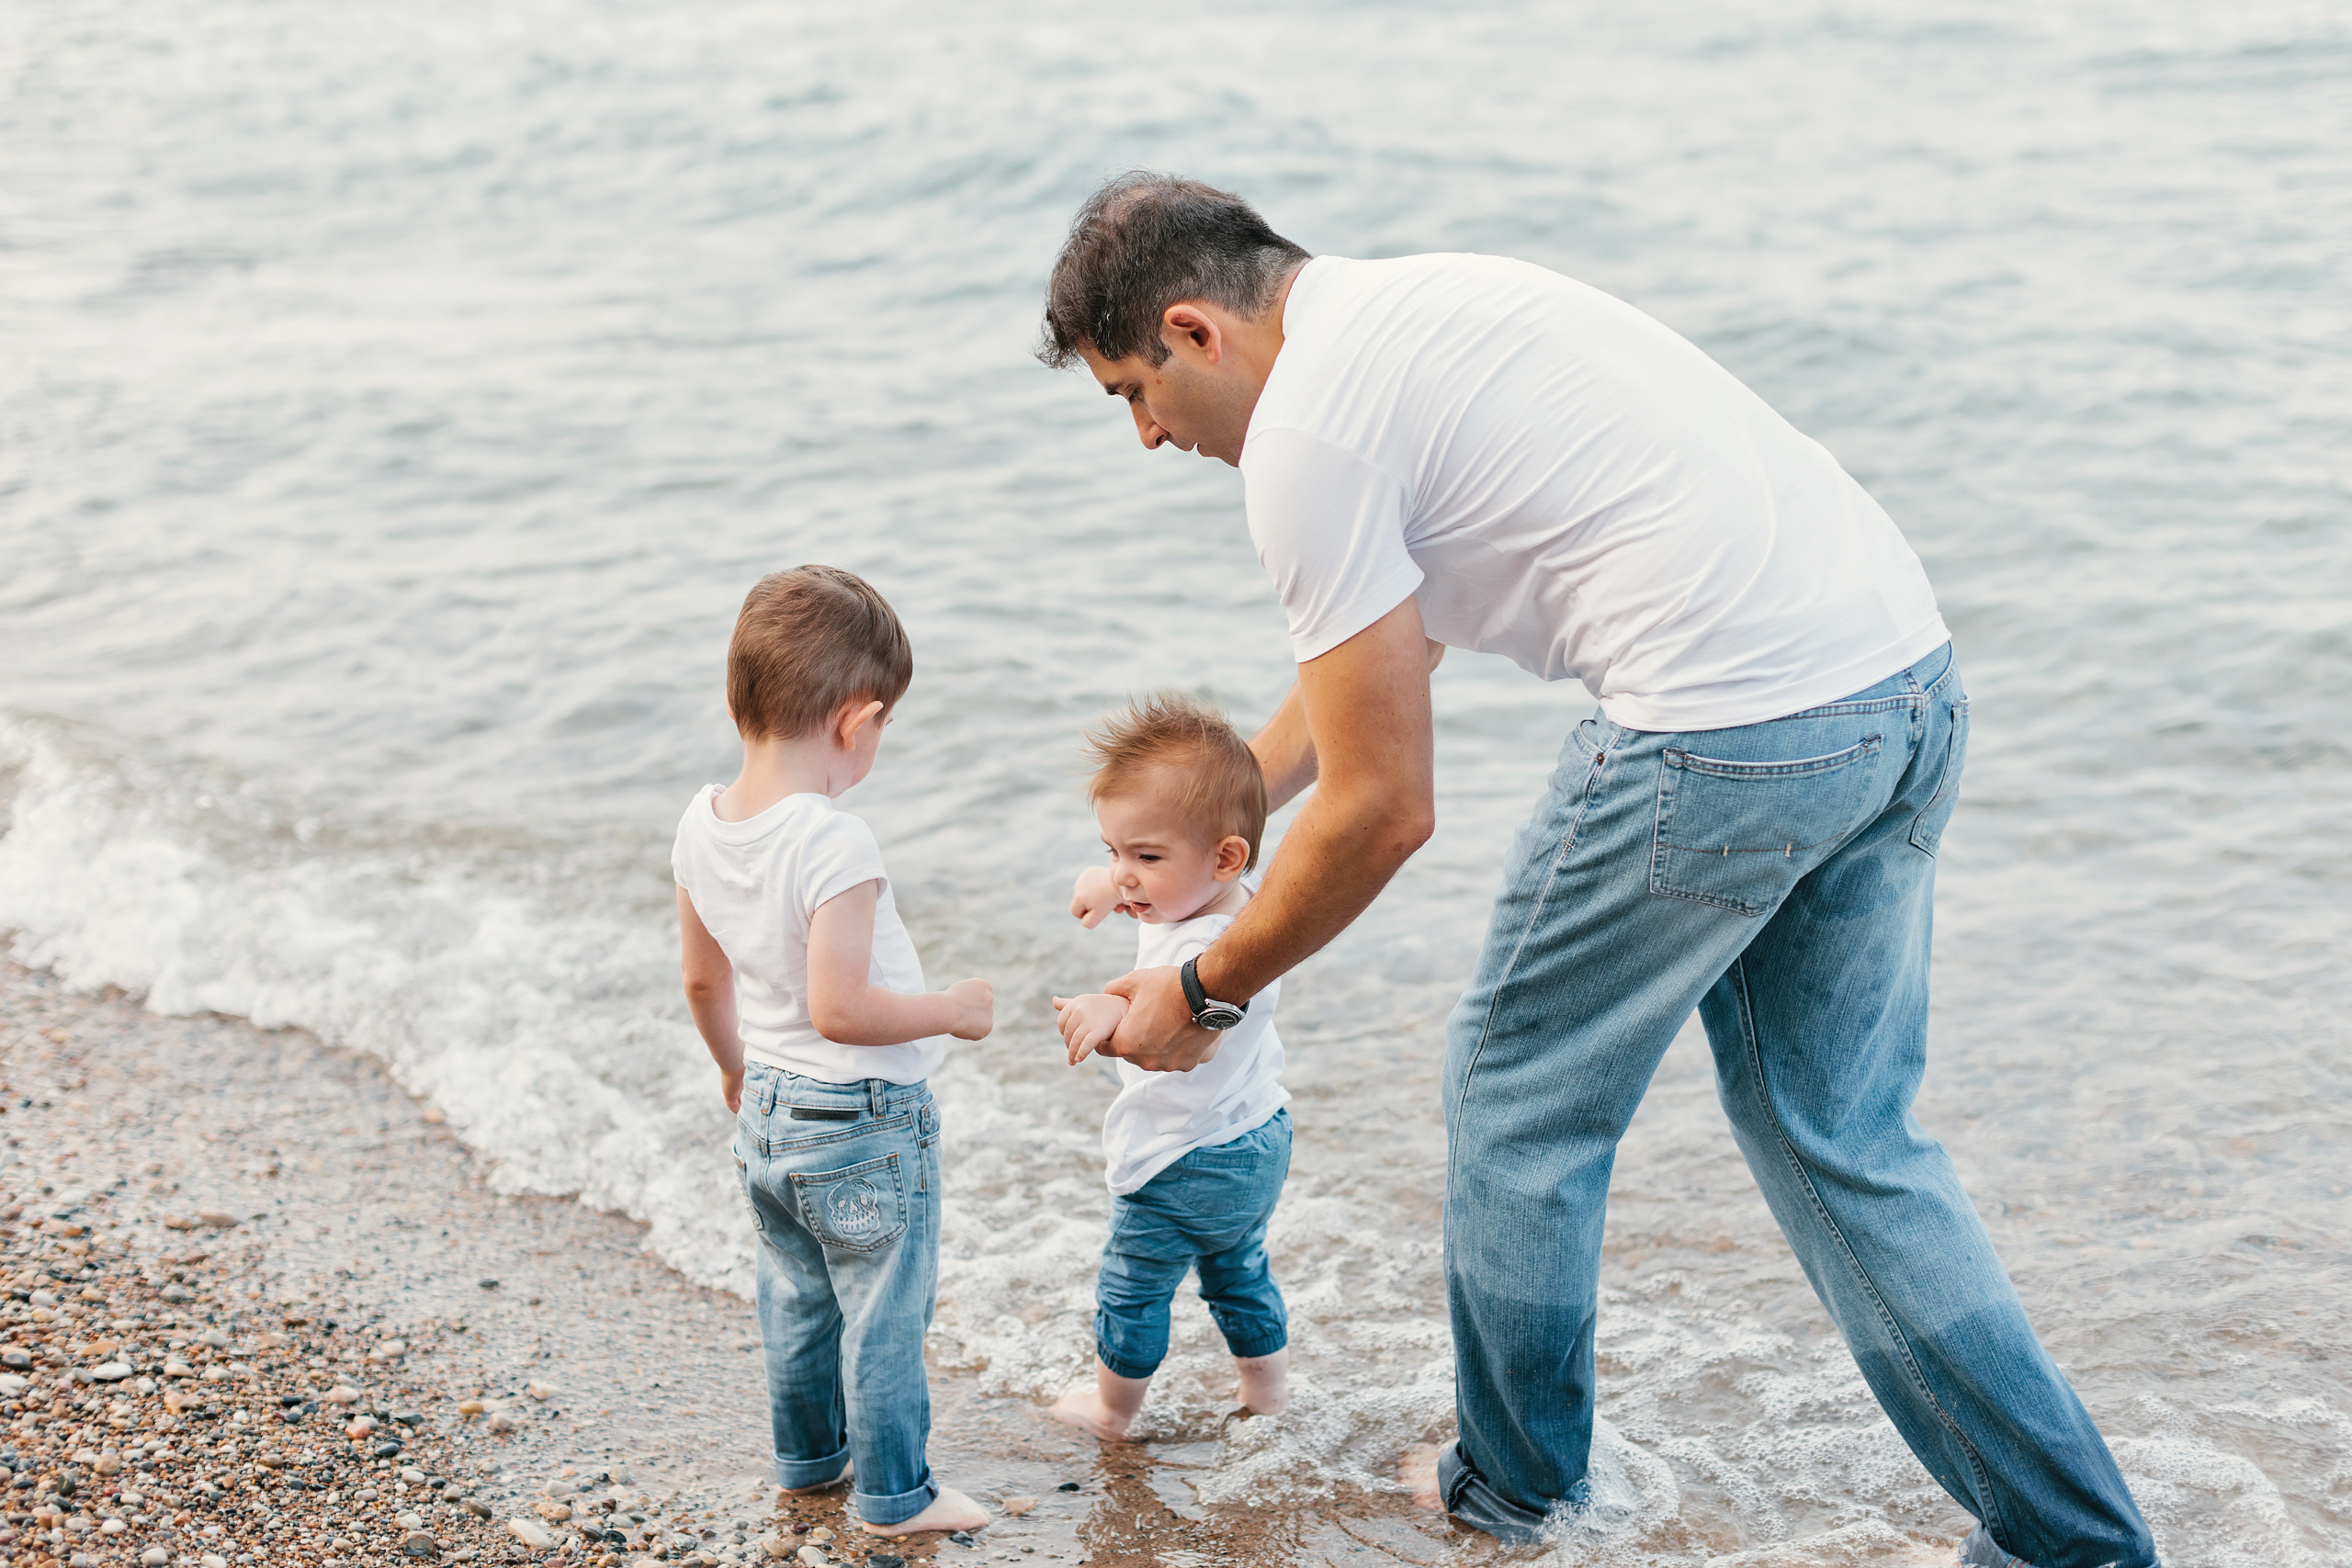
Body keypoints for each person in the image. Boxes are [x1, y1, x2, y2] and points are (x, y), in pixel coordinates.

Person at [1035, 174, 2159, 1568]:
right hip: (1904, 683)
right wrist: (1220, 820)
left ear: (1196, 332)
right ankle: (2075, 1541)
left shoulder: (1304, 442)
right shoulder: (1425, 304)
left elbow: (1386, 809)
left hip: (1726, 729)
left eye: (1133, 393)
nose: (1146, 435)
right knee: (1846, 1139)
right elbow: (1386, 665)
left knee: (1516, 1101)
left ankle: (1514, 1490)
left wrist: (1202, 987)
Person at [672, 565, 994, 1539]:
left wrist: (733, 1068)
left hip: (767, 1109)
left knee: (797, 1299)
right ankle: (899, 1494)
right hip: (861, 1121)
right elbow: (843, 1008)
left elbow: (701, 980)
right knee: (885, 1311)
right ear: (855, 721)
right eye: (883, 727)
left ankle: (810, 1460)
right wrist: (953, 1010)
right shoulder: (834, 840)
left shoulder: (700, 824)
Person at [1046, 692, 1293, 1440]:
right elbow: (1161, 897)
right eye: (1114, 849)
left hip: (1179, 1157)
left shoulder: (1203, 957)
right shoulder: (1242, 914)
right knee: (1238, 1272)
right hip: (1257, 1137)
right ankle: (1267, 1397)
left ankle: (1114, 1411)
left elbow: (1163, 1019)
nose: (1125, 875)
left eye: (1144, 857)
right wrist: (1113, 881)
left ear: (1225, 855)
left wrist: (1102, 1006)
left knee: (1133, 1287)